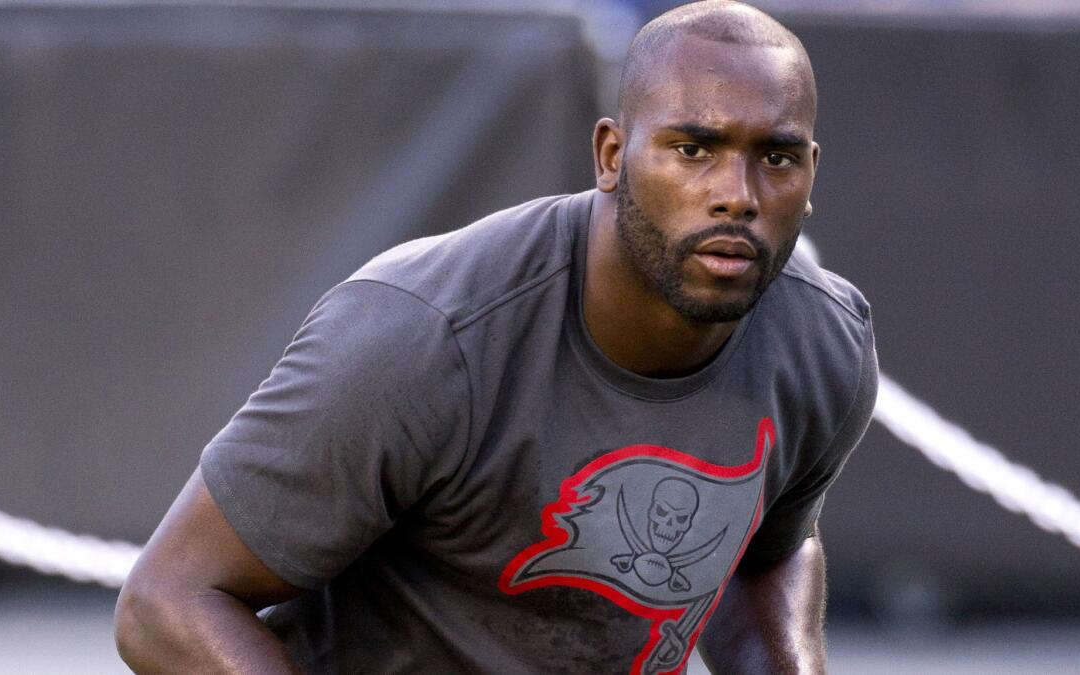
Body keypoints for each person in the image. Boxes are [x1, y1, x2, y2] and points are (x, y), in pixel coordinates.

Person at [114, 1, 877, 673]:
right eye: (692, 149)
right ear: (612, 156)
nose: (735, 196)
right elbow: (167, 602)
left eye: (774, 158)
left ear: (810, 174)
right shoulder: (419, 336)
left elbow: (763, 555)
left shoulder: (825, 341)